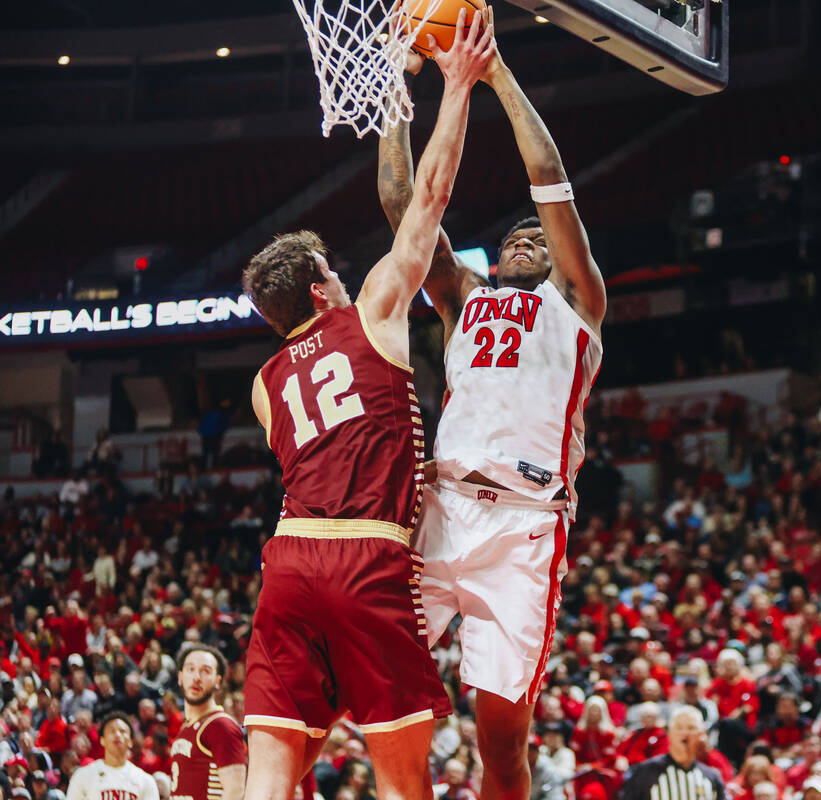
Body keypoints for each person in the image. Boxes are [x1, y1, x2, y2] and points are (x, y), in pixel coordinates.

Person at [239, 14, 496, 800]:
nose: (349, 278)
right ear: (322, 290)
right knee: (400, 778)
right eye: (335, 273)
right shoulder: (375, 312)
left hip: (287, 563)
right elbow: (429, 196)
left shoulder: (263, 383)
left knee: (271, 776)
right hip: (366, 560)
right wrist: (455, 87)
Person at [377, 14, 607, 798]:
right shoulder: (461, 298)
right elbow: (401, 200)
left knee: (502, 745)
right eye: (513, 237)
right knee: (378, 697)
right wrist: (398, 86)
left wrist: (494, 73)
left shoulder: (577, 302)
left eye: (535, 240)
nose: (524, 239)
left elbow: (552, 187)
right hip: (442, 508)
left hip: (525, 525)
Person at [169, 644, 246, 800]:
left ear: (218, 681)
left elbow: (235, 791)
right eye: (190, 669)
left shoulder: (220, 725)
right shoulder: (187, 726)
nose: (196, 677)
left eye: (205, 671)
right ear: (180, 677)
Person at [618, 708, 722, 800]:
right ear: (669, 733)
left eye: (691, 728)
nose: (685, 733)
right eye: (679, 727)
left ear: (701, 734)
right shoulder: (646, 772)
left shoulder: (711, 777)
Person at [65, 712, 158, 800]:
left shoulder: (145, 780)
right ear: (102, 740)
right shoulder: (83, 775)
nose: (117, 735)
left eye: (122, 731)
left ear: (130, 741)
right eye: (112, 731)